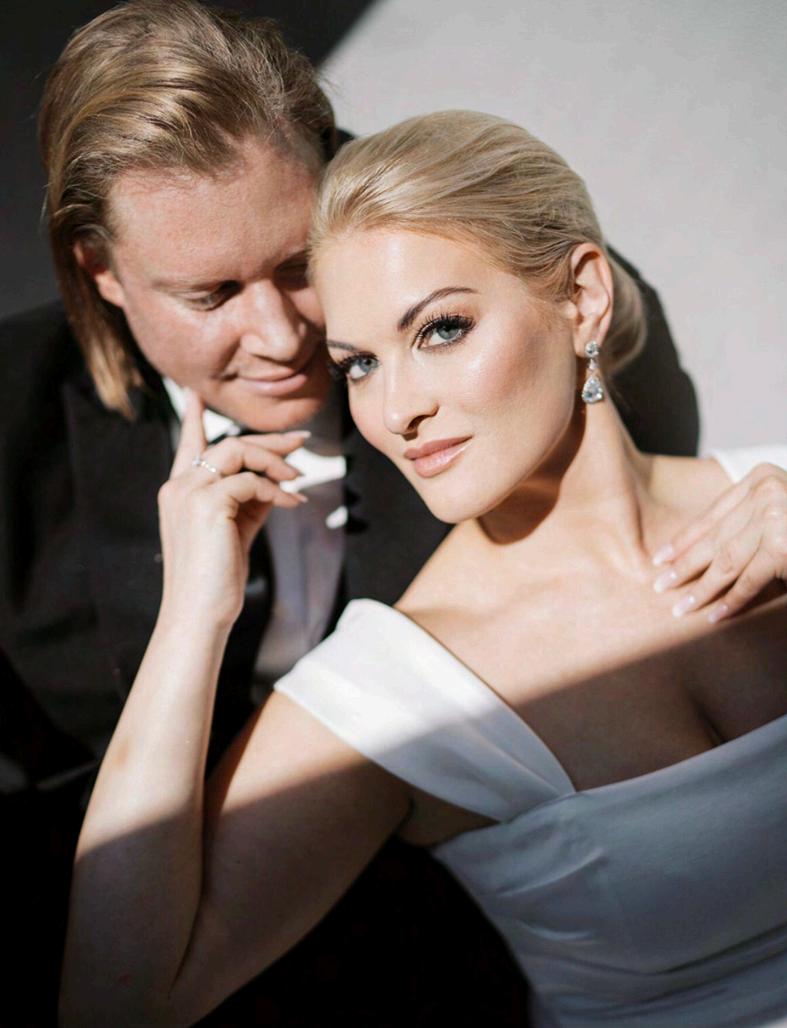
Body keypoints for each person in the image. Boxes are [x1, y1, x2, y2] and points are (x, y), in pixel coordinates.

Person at [0, 3, 705, 1025]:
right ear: (99, 270)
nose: (281, 334)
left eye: (297, 264)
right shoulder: (9, 428)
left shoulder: (527, 314)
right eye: (211, 295)